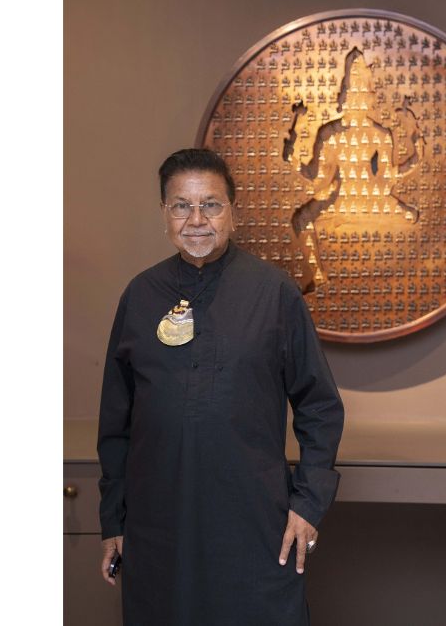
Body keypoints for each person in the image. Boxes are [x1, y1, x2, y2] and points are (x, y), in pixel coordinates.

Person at [96, 148, 345, 625]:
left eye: (210, 204)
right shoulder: (140, 296)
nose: (196, 220)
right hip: (156, 525)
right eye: (181, 206)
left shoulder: (274, 293)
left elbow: (320, 406)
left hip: (254, 522)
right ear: (164, 214)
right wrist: (113, 519)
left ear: (233, 211)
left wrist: (308, 505)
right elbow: (116, 422)